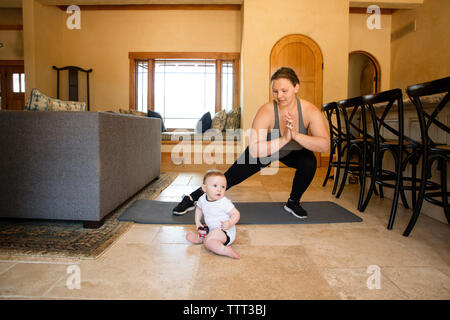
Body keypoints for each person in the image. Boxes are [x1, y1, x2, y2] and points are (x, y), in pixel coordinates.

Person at [174, 66, 330, 218]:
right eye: (275, 91)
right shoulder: (267, 111)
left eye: (284, 91)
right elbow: (255, 151)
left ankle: (293, 202)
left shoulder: (310, 111)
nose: (279, 96)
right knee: (229, 178)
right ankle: (191, 198)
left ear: (296, 87)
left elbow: (324, 145)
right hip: (266, 150)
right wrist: (285, 138)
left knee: (309, 162)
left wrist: (295, 135)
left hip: (293, 152)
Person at [185, 169, 241, 259]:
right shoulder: (202, 199)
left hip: (225, 232)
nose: (219, 189)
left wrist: (230, 223)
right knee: (205, 229)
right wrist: (197, 221)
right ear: (204, 188)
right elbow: (199, 209)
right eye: (215, 186)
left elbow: (236, 214)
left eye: (223, 187)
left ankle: (225, 250)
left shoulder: (224, 202)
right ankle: (200, 238)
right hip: (213, 229)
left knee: (209, 241)